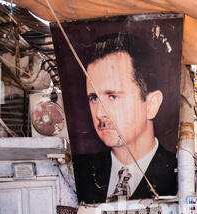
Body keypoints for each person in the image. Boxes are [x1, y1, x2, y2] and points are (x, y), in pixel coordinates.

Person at [72, 32, 178, 204]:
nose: (99, 113)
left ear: (151, 105)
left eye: (113, 96)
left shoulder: (181, 173)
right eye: (94, 98)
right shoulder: (79, 171)